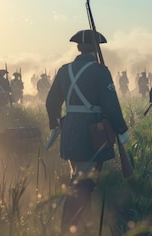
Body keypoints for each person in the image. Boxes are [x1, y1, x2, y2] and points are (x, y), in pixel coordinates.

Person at [46, 29, 128, 234]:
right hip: (92, 132)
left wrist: (55, 123)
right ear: (96, 48)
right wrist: (121, 128)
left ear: (79, 48)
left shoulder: (65, 70)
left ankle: (85, 223)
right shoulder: (100, 71)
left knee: (81, 177)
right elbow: (110, 105)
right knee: (84, 181)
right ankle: (68, 226)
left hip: (70, 130)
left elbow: (51, 101)